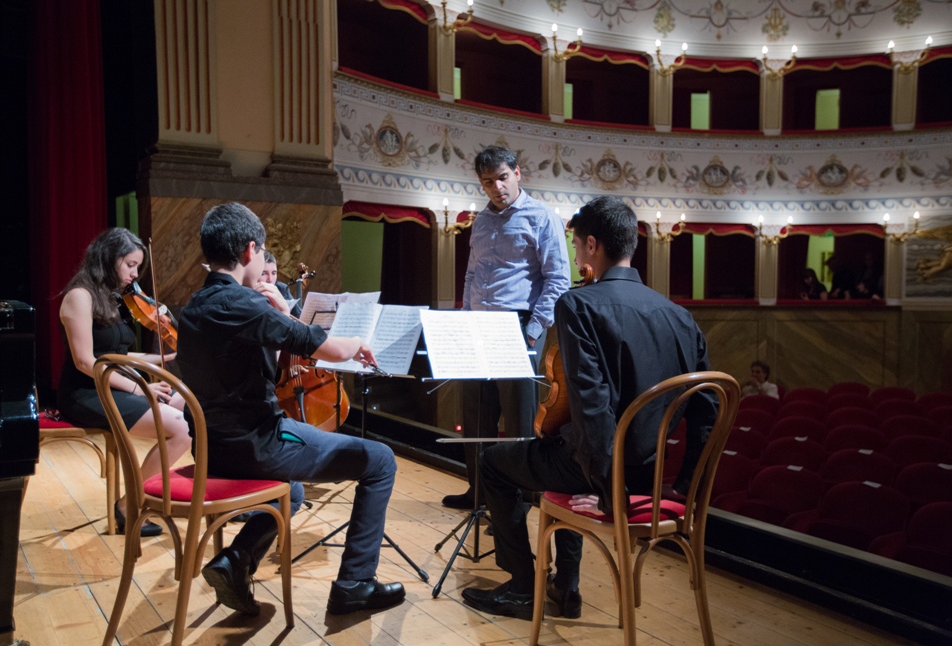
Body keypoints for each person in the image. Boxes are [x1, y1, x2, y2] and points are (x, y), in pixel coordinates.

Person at [460, 196, 718, 620]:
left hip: (605, 473)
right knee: (569, 446)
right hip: (652, 476)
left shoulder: (578, 305)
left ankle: (525, 587)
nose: (575, 253)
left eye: (576, 244)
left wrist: (606, 491)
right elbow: (707, 409)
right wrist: (685, 484)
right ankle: (566, 585)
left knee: (495, 462)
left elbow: (591, 404)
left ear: (593, 245)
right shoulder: (679, 316)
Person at [176, 202, 404, 616]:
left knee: (293, 492)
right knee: (381, 461)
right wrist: (355, 343)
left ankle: (237, 559)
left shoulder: (194, 306)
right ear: (250, 251)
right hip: (257, 446)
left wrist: (281, 313)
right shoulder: (243, 304)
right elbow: (328, 347)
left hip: (212, 449)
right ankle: (354, 584)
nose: (263, 261)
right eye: (263, 254)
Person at [442, 145, 571, 509]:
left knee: (518, 420)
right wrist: (466, 320)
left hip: (519, 324)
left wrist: (532, 331)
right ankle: (479, 491)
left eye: (502, 177)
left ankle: (519, 495)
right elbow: (470, 274)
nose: (496, 187)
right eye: (487, 182)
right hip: (478, 325)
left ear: (517, 173)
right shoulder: (481, 221)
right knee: (475, 415)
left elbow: (558, 279)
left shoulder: (542, 217)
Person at [57, 227, 192, 537]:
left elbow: (117, 353)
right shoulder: (79, 296)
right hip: (85, 392)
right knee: (180, 428)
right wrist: (140, 387)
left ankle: (146, 498)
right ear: (109, 258)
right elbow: (86, 361)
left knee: (185, 406)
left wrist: (161, 359)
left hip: (112, 385)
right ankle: (130, 504)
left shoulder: (113, 299)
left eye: (137, 267)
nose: (135, 274)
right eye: (130, 265)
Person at [261, 250, 303, 317]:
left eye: (274, 273)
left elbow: (299, 316)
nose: (270, 279)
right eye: (263, 274)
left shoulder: (281, 288)